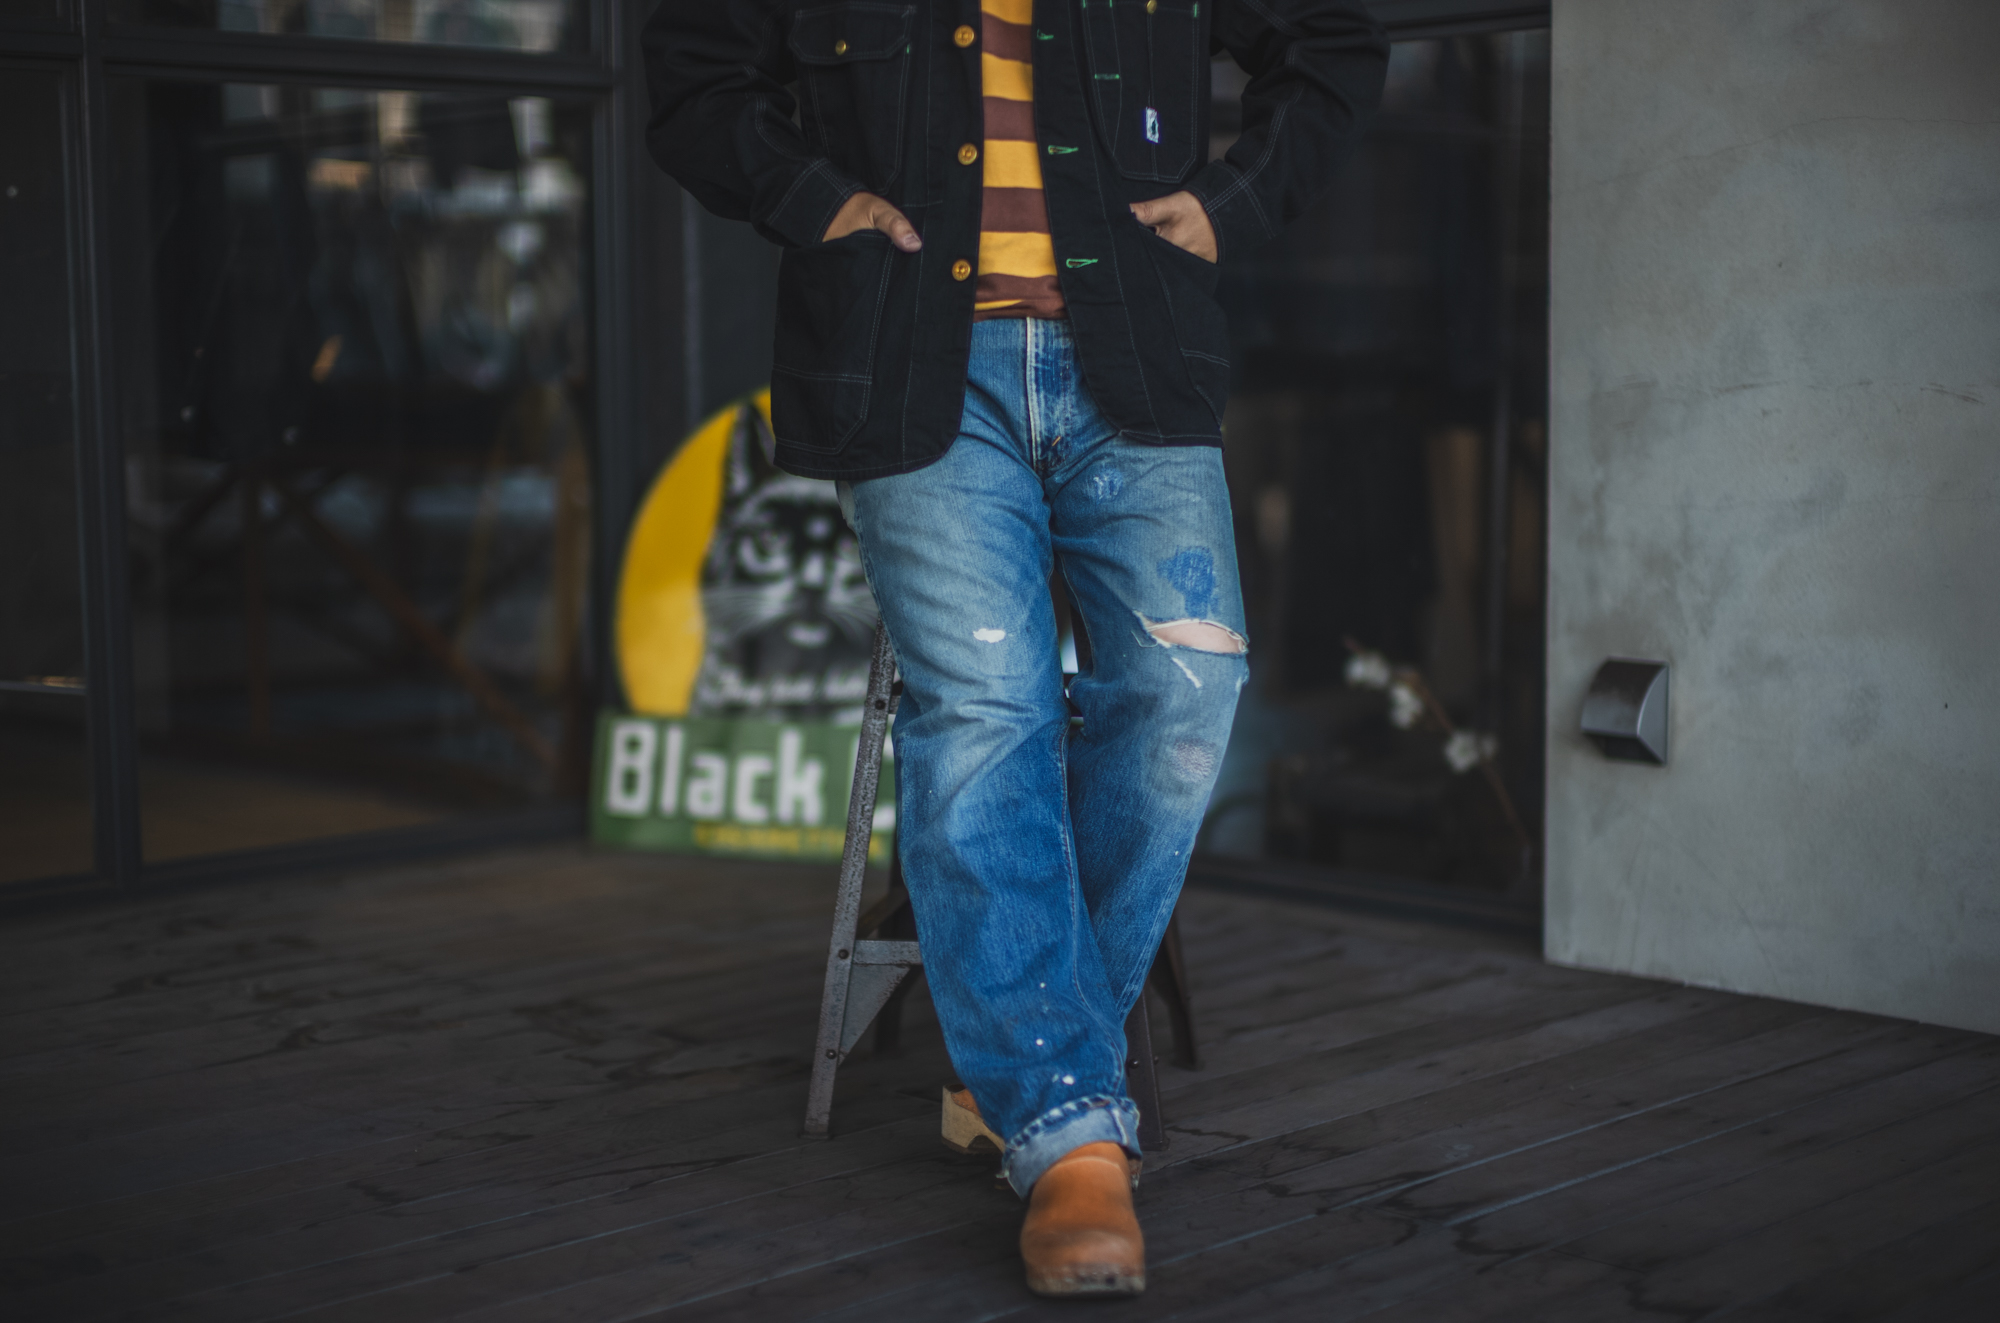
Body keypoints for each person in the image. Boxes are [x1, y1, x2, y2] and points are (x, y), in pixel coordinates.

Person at [643, 0, 1387, 1296]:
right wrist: (820, 201)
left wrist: (1235, 203)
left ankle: (1024, 1042)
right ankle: (1066, 1134)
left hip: (1134, 348)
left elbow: (1332, 41)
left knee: (1187, 683)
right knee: (988, 707)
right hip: (913, 364)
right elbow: (695, 77)